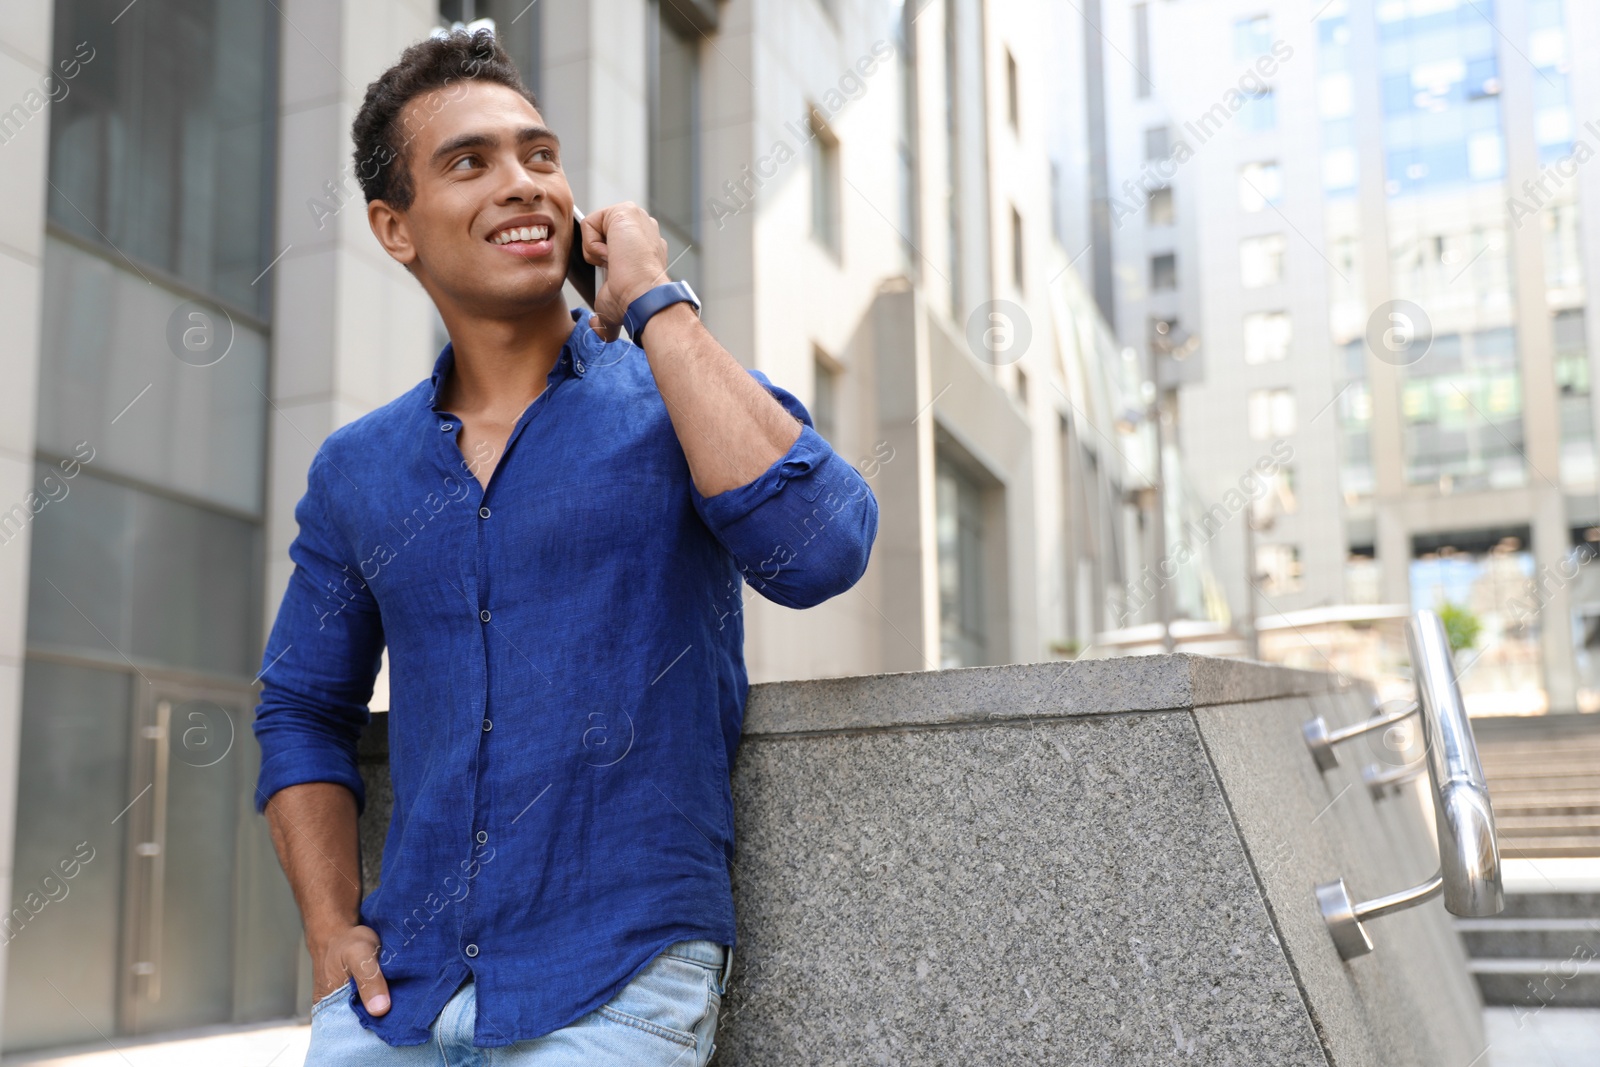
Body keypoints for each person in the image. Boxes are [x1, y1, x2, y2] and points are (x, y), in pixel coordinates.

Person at [251, 27, 879, 1066]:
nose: (523, 184)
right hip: (391, 1001)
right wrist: (329, 925)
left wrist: (654, 305)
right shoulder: (357, 469)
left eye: (539, 156)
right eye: (471, 162)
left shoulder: (676, 396)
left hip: (617, 988)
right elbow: (300, 709)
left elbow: (817, 553)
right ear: (393, 229)